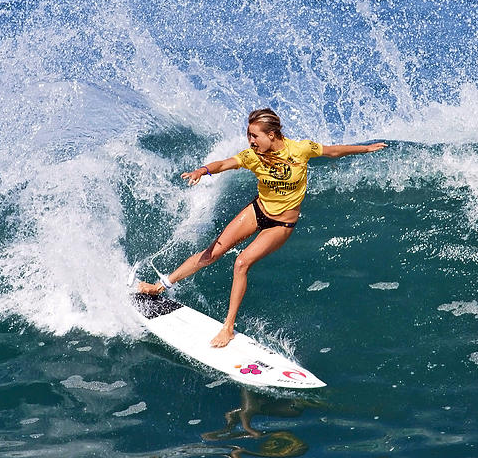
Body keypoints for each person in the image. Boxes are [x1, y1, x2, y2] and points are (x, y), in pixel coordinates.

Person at [137, 108, 386, 347]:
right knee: (212, 252)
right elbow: (224, 164)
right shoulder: (252, 156)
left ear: (271, 134)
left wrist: (364, 148)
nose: (251, 140)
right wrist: (202, 170)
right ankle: (159, 287)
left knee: (242, 263)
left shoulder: (300, 150)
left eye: (254, 135)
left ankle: (228, 328)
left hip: (281, 223)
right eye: (249, 135)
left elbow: (332, 151)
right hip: (258, 210)